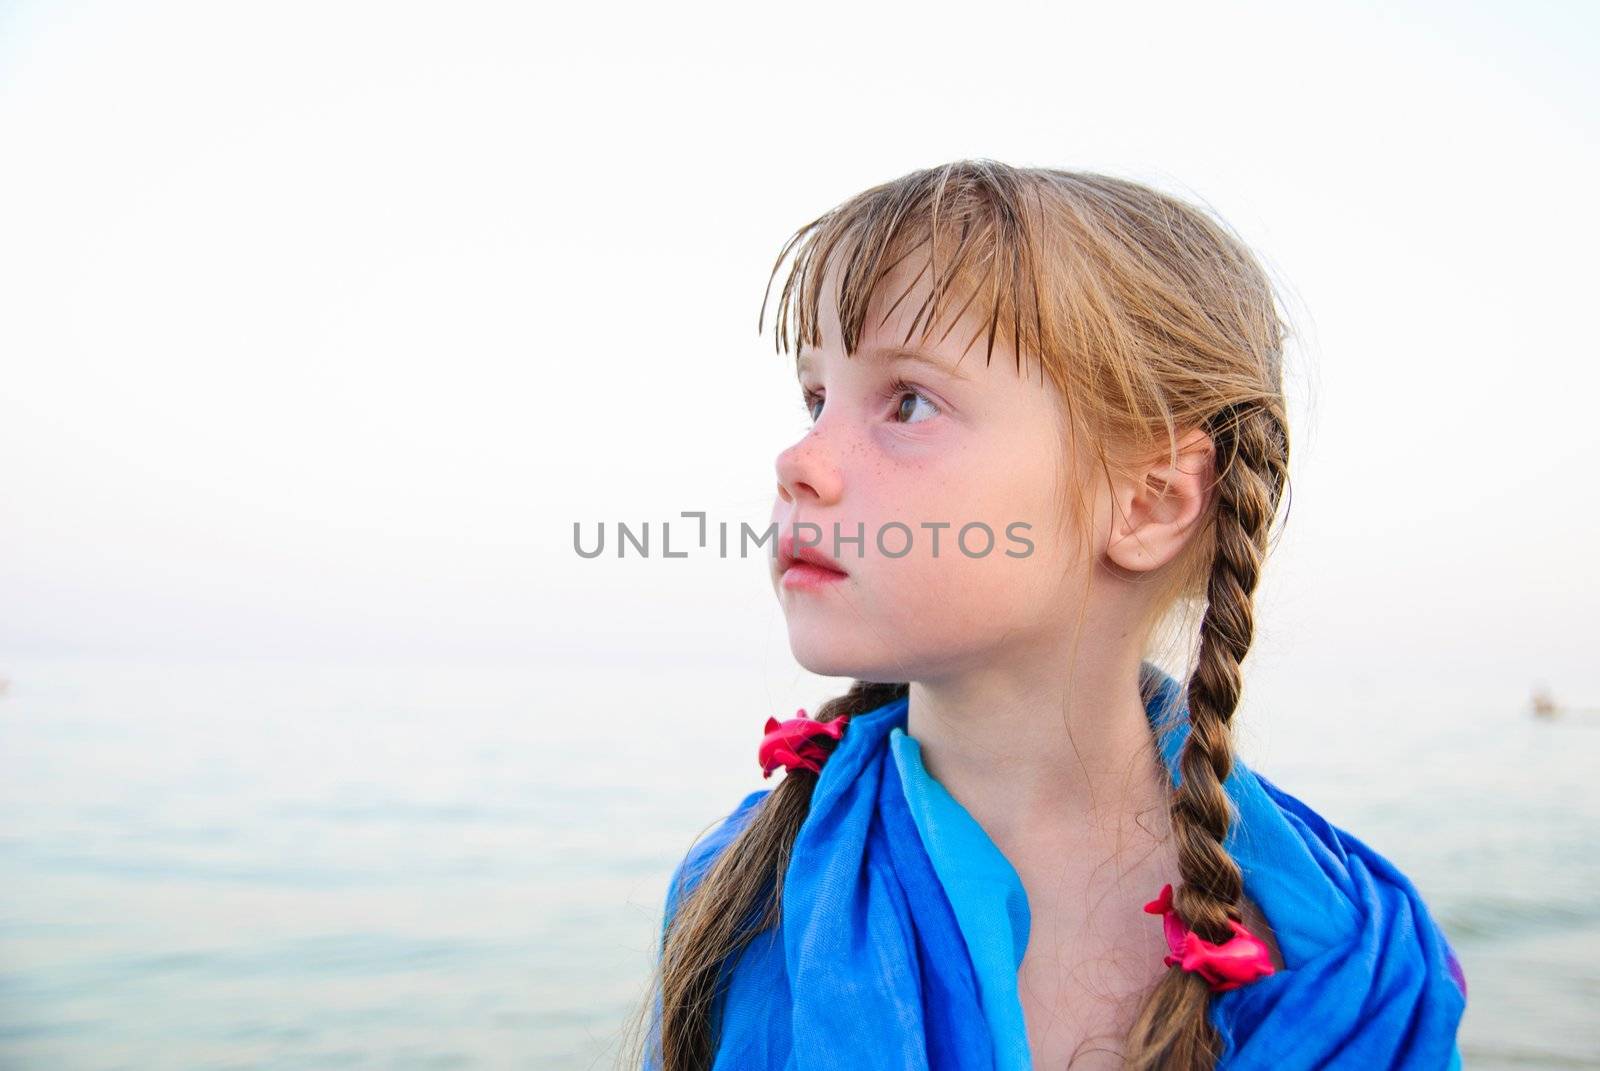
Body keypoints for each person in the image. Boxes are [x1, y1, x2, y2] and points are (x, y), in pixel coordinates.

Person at [628, 161, 1468, 1070]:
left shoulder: (1354, 954)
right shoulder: (742, 889)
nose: (800, 459)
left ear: (1147, 502)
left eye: (908, 402)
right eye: (816, 397)